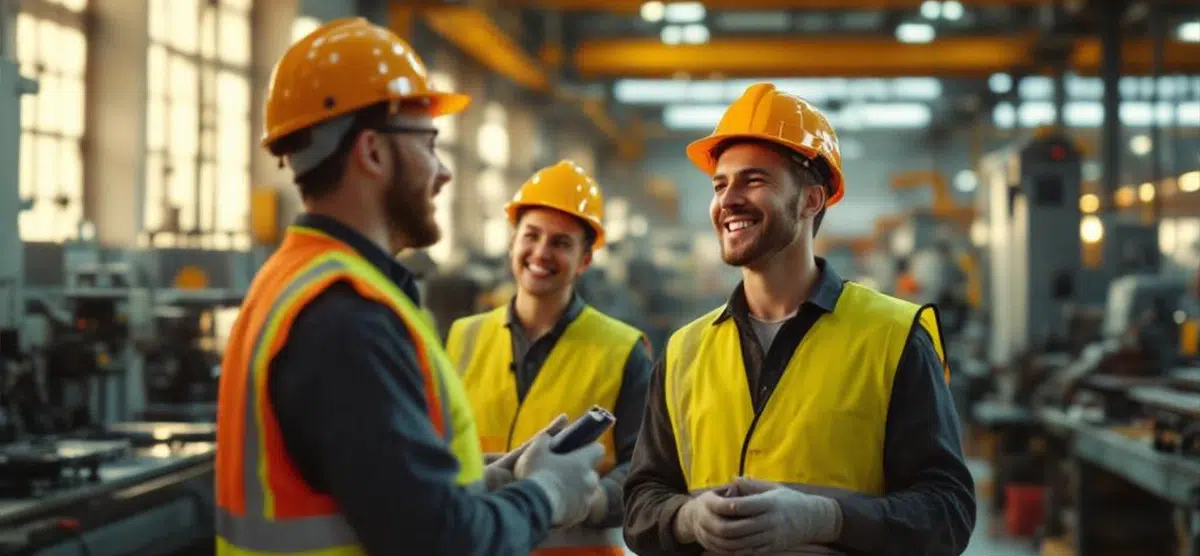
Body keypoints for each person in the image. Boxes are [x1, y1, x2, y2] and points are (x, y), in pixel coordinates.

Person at [215, 18, 604, 556]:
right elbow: (443, 544)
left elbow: (379, 494)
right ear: (373, 152)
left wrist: (493, 480)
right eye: (428, 144)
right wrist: (546, 494)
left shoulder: (296, 283)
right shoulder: (346, 318)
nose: (443, 172)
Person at [622, 82, 976, 556]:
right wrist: (686, 518)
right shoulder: (684, 351)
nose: (728, 199)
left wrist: (824, 519)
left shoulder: (893, 338)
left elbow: (948, 513)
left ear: (812, 200)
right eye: (720, 184)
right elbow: (640, 506)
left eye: (753, 180)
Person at [446, 160, 653, 556]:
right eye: (532, 236)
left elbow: (644, 471)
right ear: (513, 243)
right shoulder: (462, 337)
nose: (541, 252)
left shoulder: (623, 350)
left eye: (560, 243)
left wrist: (591, 501)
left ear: (584, 260)